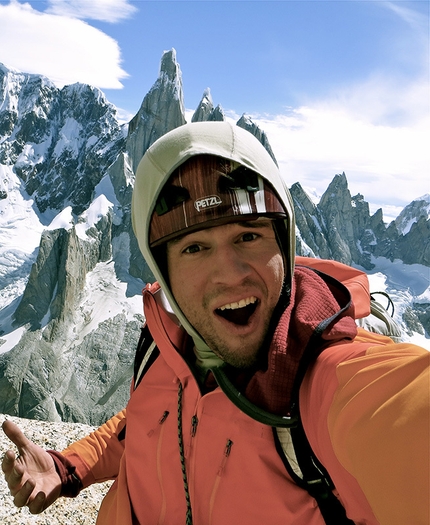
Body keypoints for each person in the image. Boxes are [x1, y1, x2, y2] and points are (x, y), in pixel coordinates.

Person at [2, 122, 429, 525]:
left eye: (248, 235)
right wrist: (68, 466)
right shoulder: (166, 346)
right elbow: (142, 422)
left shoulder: (324, 385)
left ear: (284, 242)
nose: (229, 273)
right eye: (195, 248)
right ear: (162, 269)